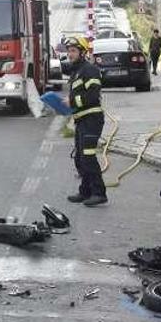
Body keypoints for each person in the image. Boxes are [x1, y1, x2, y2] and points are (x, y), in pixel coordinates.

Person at [63, 36, 108, 207]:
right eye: (69, 51)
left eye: (73, 51)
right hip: (82, 120)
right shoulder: (77, 71)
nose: (70, 54)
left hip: (92, 119)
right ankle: (86, 191)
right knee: (80, 159)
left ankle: (99, 193)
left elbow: (92, 96)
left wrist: (72, 102)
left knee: (88, 157)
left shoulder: (90, 70)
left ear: (82, 52)